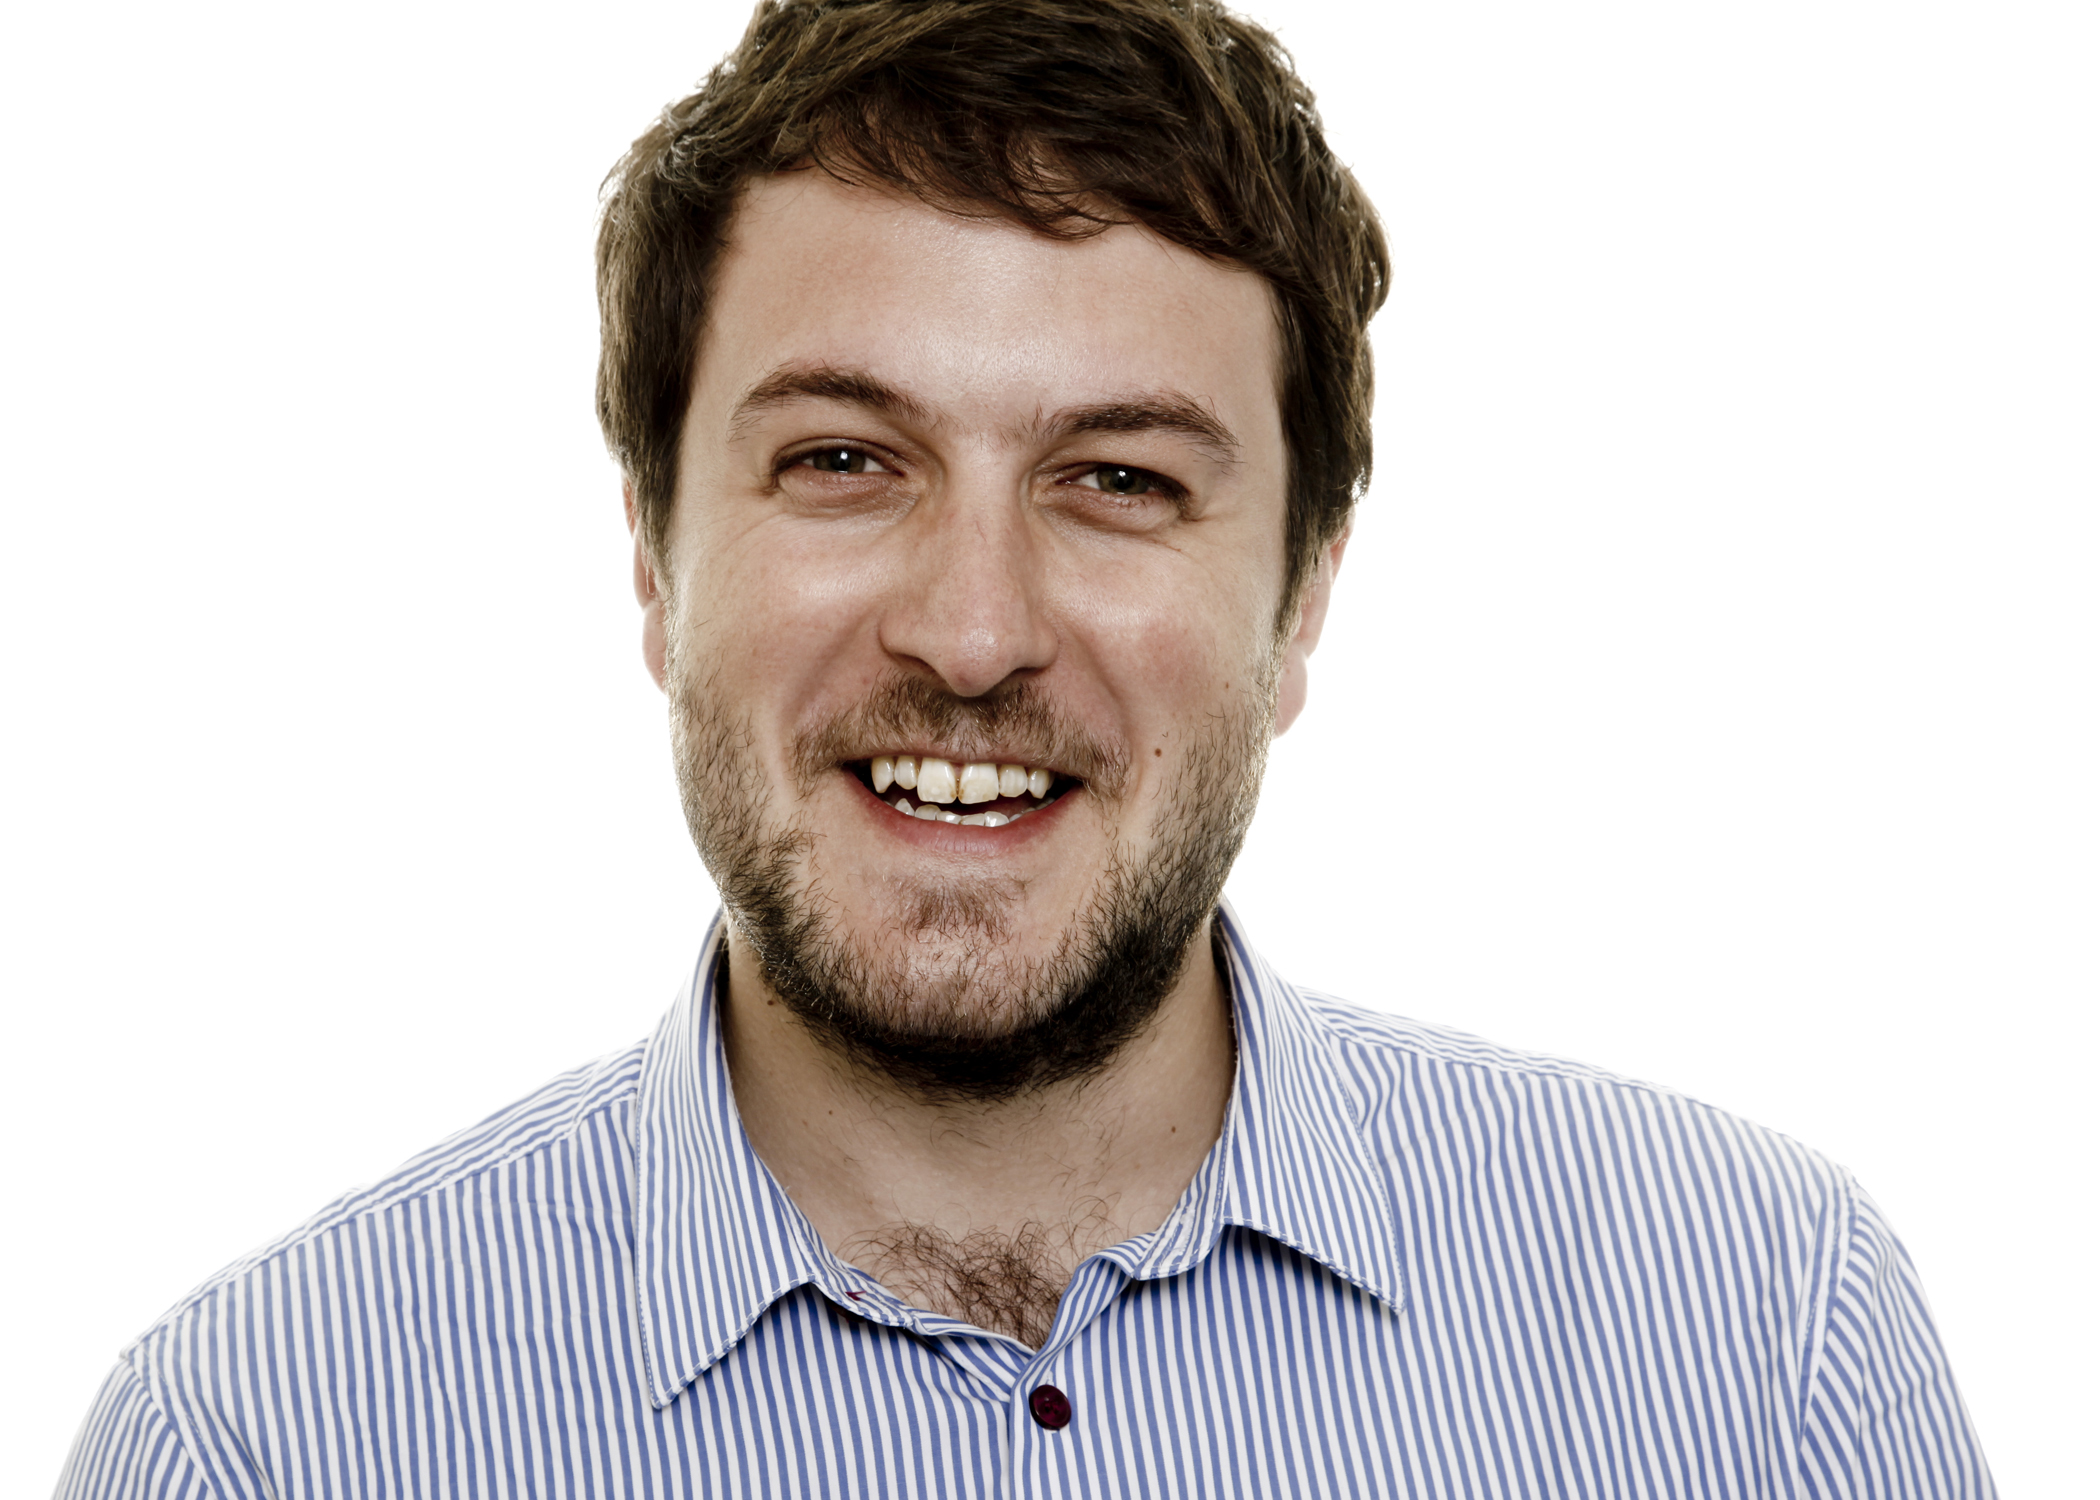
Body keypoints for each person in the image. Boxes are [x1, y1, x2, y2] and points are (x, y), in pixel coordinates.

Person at [59, 0, 1994, 1494]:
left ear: (1302, 595)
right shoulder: (259, 1444)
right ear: (653, 554)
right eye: (844, 459)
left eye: (1121, 478)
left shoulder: (1764, 1347)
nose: (974, 633)